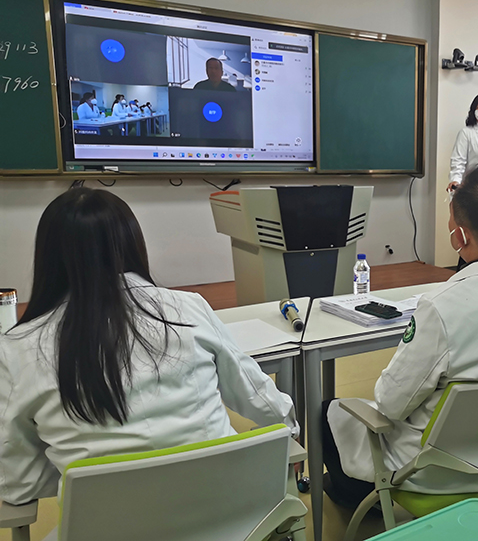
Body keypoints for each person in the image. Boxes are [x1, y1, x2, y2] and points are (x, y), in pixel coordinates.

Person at [0, 188, 297, 505]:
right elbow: (258, 397)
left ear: (47, 258)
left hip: (104, 522)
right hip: (230, 516)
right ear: (131, 243)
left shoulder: (17, 348)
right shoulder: (188, 308)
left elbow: (18, 485)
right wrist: (288, 427)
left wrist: (72, 477)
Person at [323, 164, 478, 508]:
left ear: (461, 237)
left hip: (434, 470)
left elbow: (389, 403)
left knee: (330, 413)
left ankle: (363, 504)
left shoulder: (442, 307)